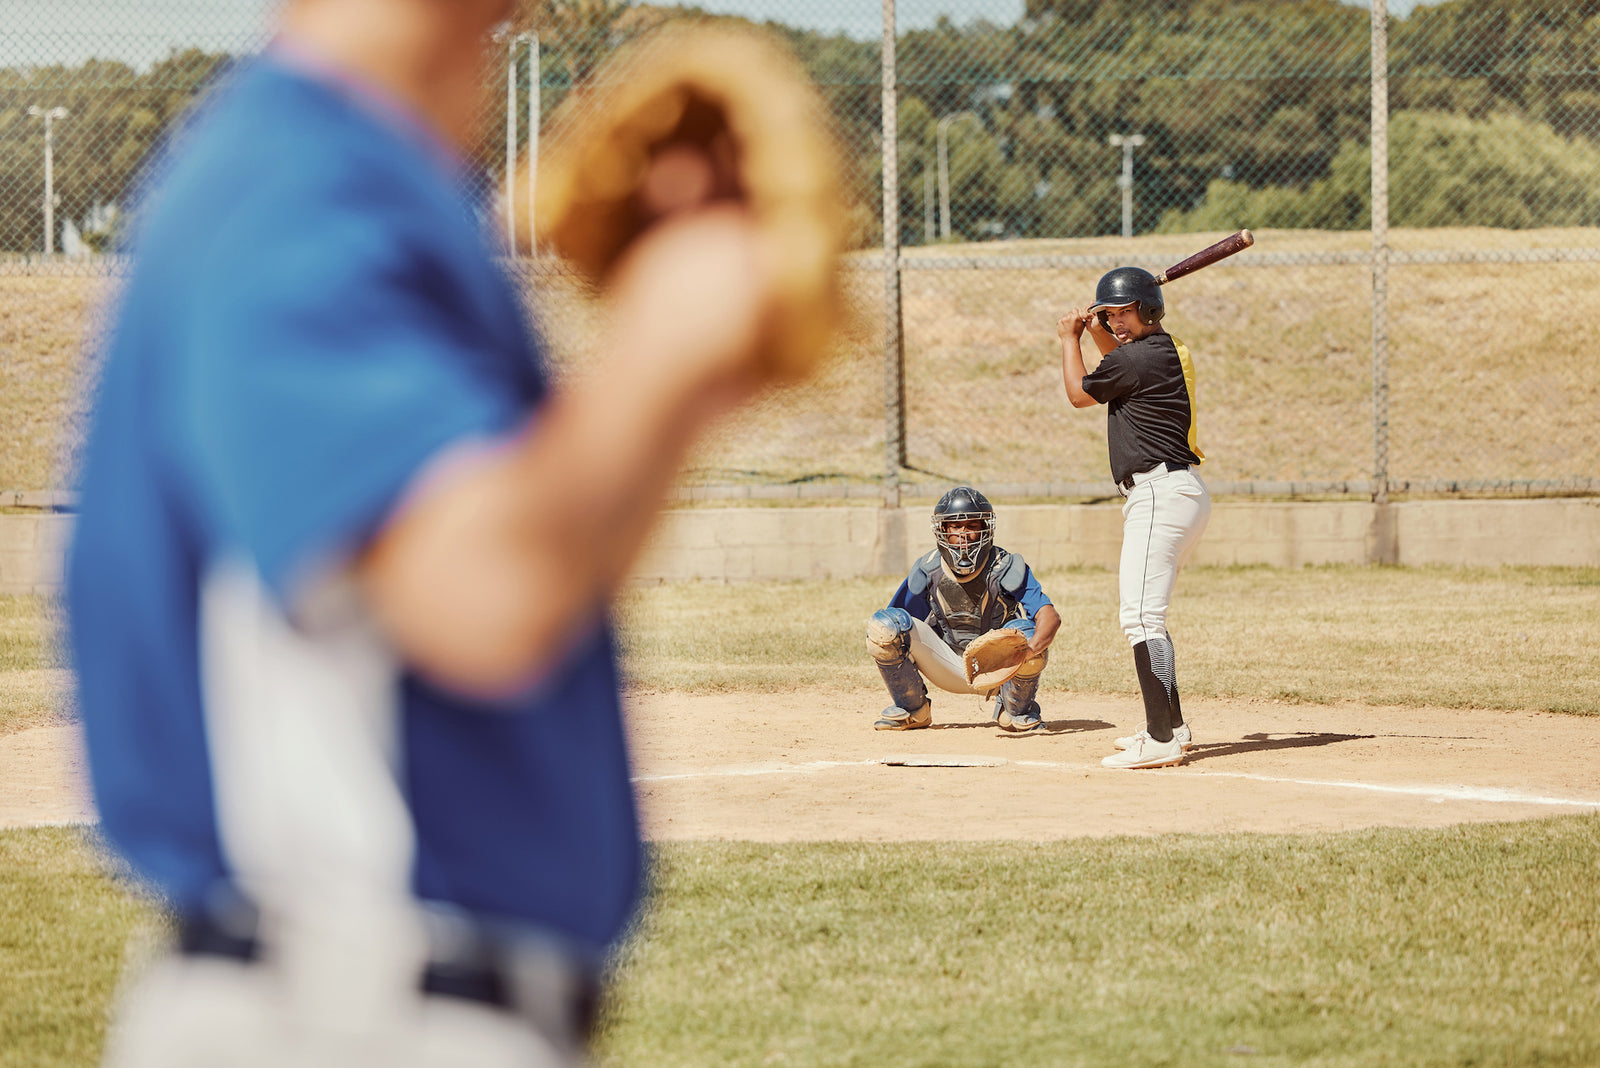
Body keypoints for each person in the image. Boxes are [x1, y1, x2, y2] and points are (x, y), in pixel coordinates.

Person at [65, 1, 796, 1065]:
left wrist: (679, 391)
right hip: (353, 1003)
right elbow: (484, 597)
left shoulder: (359, 177)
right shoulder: (300, 185)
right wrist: (667, 338)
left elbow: (542, 572)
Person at [1057, 266, 1212, 770]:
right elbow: (1114, 357)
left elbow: (1080, 392)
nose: (1118, 324)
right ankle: (1173, 726)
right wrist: (1098, 323)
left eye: (1124, 313)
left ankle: (1161, 738)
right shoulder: (1156, 351)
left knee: (1141, 618)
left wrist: (1069, 337)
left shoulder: (1140, 357)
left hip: (1159, 494)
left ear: (1148, 310)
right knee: (1149, 616)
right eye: (1112, 315)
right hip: (1175, 493)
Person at [866, 486, 1061, 733]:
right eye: (955, 527)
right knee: (884, 627)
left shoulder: (1006, 566)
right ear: (942, 531)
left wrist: (1027, 654)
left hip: (999, 667)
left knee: (1028, 633)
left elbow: (1049, 617)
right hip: (945, 663)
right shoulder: (928, 568)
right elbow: (897, 624)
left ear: (985, 529)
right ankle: (913, 709)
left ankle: (1015, 709)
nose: (963, 534)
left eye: (971, 526)